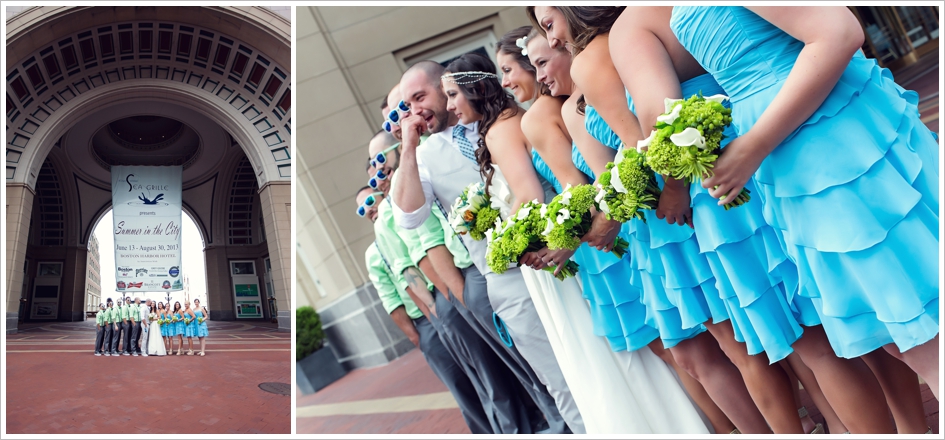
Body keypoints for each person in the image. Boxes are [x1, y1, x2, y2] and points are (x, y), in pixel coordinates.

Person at [392, 60, 583, 433]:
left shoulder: (504, 121)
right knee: (552, 376)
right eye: (407, 105)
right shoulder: (424, 157)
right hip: (505, 278)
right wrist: (409, 148)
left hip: (563, 256)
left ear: (446, 89)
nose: (416, 110)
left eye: (421, 97)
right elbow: (409, 218)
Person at [358, 181, 495, 433]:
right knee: (460, 384)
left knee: (485, 368)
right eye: (361, 210)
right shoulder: (374, 252)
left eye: (368, 202)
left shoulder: (403, 219)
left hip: (445, 298)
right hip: (427, 321)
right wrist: (420, 333)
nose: (367, 210)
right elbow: (391, 300)